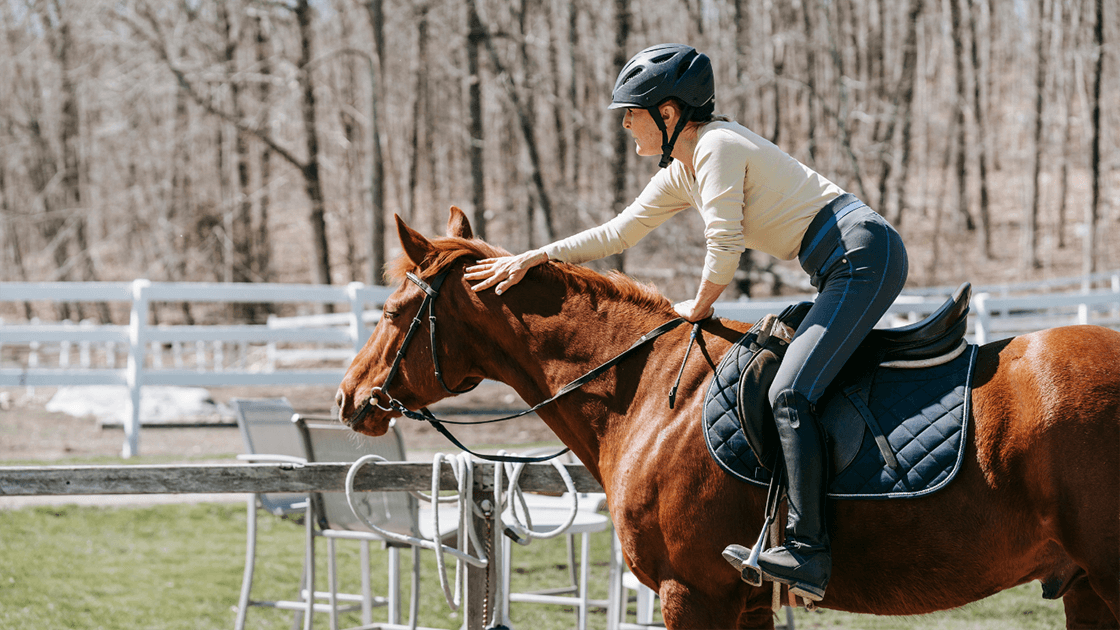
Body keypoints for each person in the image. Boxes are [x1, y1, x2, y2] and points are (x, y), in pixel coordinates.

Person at [463, 43, 908, 602]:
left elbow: (724, 242)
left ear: (668, 114)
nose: (626, 123)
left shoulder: (718, 146)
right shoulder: (682, 169)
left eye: (632, 111)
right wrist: (536, 256)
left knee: (791, 392)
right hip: (840, 264)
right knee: (783, 378)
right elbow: (617, 233)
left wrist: (696, 309)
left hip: (862, 257)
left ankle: (809, 550)